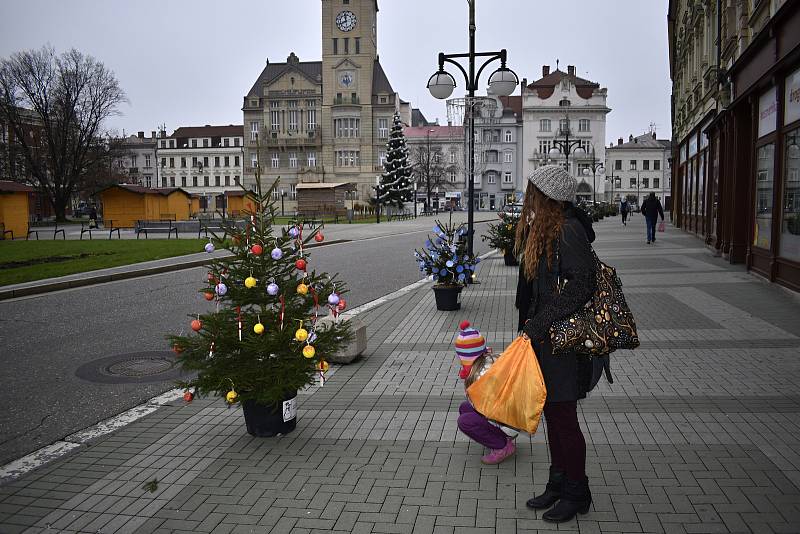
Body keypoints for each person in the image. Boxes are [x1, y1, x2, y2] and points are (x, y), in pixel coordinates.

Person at [514, 165, 596, 523]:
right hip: (544, 340)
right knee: (552, 414)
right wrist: (529, 331)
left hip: (564, 342)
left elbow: (582, 287)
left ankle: (577, 492)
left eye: (533, 192)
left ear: (547, 197)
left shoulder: (570, 231)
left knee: (564, 418)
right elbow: (535, 291)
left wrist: (539, 325)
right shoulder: (546, 229)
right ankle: (558, 482)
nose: (527, 198)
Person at [455, 321, 517, 465]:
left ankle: (502, 446)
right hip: (507, 416)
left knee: (465, 422)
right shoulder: (488, 359)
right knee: (464, 408)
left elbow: (485, 405)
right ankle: (500, 438)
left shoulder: (482, 374)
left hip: (506, 419)